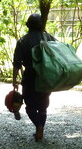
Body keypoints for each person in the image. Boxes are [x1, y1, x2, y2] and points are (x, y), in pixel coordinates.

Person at [12, 13, 56, 142]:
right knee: (43, 106)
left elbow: (17, 63)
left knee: (30, 106)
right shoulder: (49, 37)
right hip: (47, 77)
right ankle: (40, 129)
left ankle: (39, 127)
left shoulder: (23, 41)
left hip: (30, 77)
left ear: (28, 25)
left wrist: (14, 81)